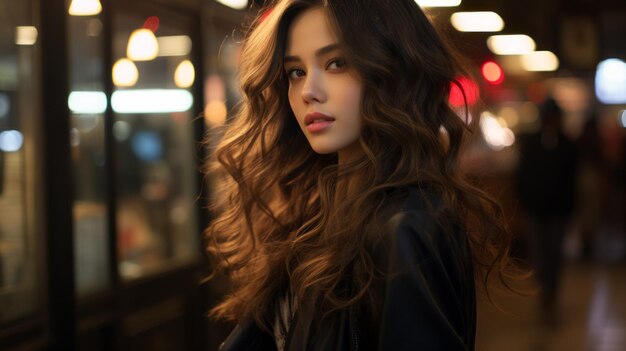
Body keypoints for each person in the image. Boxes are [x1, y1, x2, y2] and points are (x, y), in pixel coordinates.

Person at [204, 0, 519, 350]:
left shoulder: (406, 226)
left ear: (392, 71)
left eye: (336, 63)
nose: (309, 90)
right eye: (296, 71)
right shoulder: (314, 216)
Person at [516, 97, 578, 324]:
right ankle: (545, 294)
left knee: (554, 256)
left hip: (558, 210)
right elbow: (522, 176)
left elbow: (572, 180)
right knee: (539, 257)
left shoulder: (568, 145)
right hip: (535, 208)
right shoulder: (531, 143)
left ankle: (550, 295)